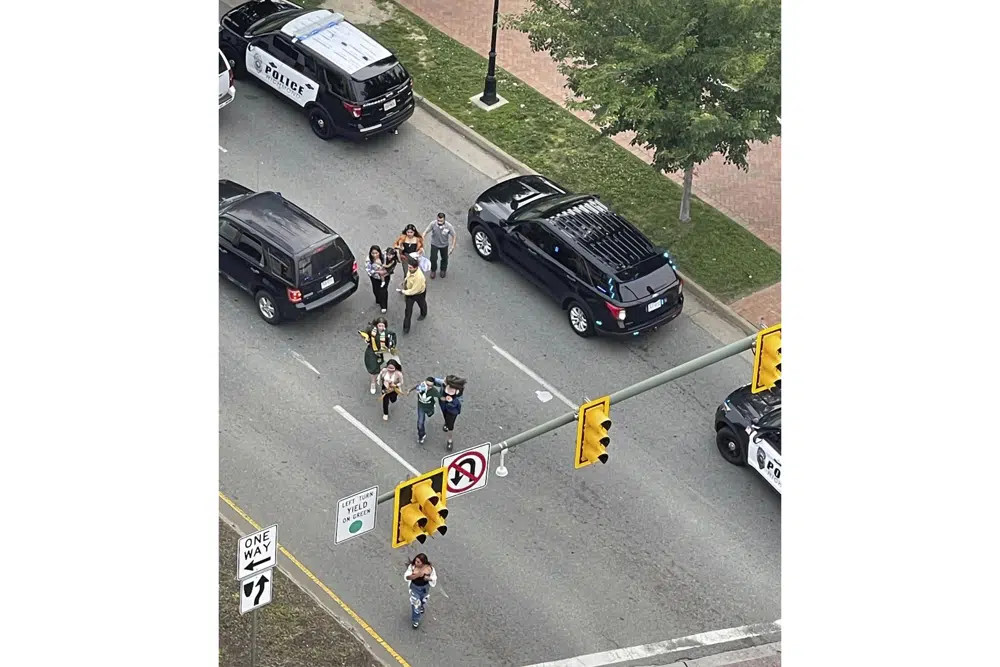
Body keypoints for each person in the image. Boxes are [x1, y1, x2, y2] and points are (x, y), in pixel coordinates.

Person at [360, 317, 397, 395]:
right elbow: (365, 334)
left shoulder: (389, 333)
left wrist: (391, 347)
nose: (381, 328)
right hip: (373, 351)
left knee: (390, 364)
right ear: (376, 325)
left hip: (384, 352)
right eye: (379, 326)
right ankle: (373, 382)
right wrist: (366, 339)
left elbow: (393, 342)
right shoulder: (371, 329)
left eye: (382, 326)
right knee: (372, 368)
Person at [433, 375, 466, 450]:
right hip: (444, 406)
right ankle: (446, 423)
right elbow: (434, 381)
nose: (443, 380)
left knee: (450, 425)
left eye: (445, 380)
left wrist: (452, 401)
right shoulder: (444, 384)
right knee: (445, 417)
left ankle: (449, 440)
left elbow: (459, 404)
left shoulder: (458, 392)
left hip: (452, 410)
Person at [404, 553, 437, 629]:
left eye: (418, 562)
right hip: (415, 588)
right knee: (416, 604)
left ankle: (422, 605)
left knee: (423, 599)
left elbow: (434, 577)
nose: (416, 563)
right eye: (416, 561)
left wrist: (428, 578)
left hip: (425, 588)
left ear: (423, 563)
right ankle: (415, 620)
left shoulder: (429, 568)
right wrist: (417, 575)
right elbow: (407, 577)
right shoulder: (412, 567)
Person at [397, 257, 427, 334]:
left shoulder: (419, 277)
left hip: (418, 293)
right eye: (409, 267)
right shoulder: (411, 270)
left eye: (410, 267)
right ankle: (406, 327)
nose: (409, 268)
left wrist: (403, 291)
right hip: (409, 292)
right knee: (408, 311)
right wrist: (404, 283)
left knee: (422, 303)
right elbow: (407, 276)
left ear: (416, 268)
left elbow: (414, 290)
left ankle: (423, 313)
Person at [422, 212, 457, 279]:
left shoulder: (448, 226)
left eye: (441, 221)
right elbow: (426, 231)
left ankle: (443, 270)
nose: (439, 222)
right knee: (433, 258)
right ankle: (433, 270)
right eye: (438, 220)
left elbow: (454, 235)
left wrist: (452, 247)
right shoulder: (433, 224)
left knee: (444, 258)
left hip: (444, 245)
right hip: (434, 244)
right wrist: (423, 236)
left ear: (444, 220)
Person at [412, 376, 443, 445]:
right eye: (427, 385)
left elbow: (440, 397)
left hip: (429, 407)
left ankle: (431, 411)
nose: (428, 387)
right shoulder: (421, 386)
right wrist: (409, 390)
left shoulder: (434, 391)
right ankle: (421, 435)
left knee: (430, 414)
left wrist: (448, 398)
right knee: (420, 423)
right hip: (421, 407)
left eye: (430, 386)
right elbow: (416, 387)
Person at [364, 245, 389, 313]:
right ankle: (378, 299)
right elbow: (368, 270)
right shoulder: (368, 260)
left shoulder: (384, 257)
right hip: (375, 278)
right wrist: (377, 272)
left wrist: (385, 271)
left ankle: (384, 306)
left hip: (385, 276)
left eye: (376, 253)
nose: (375, 255)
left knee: (383, 291)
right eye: (373, 253)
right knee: (376, 290)